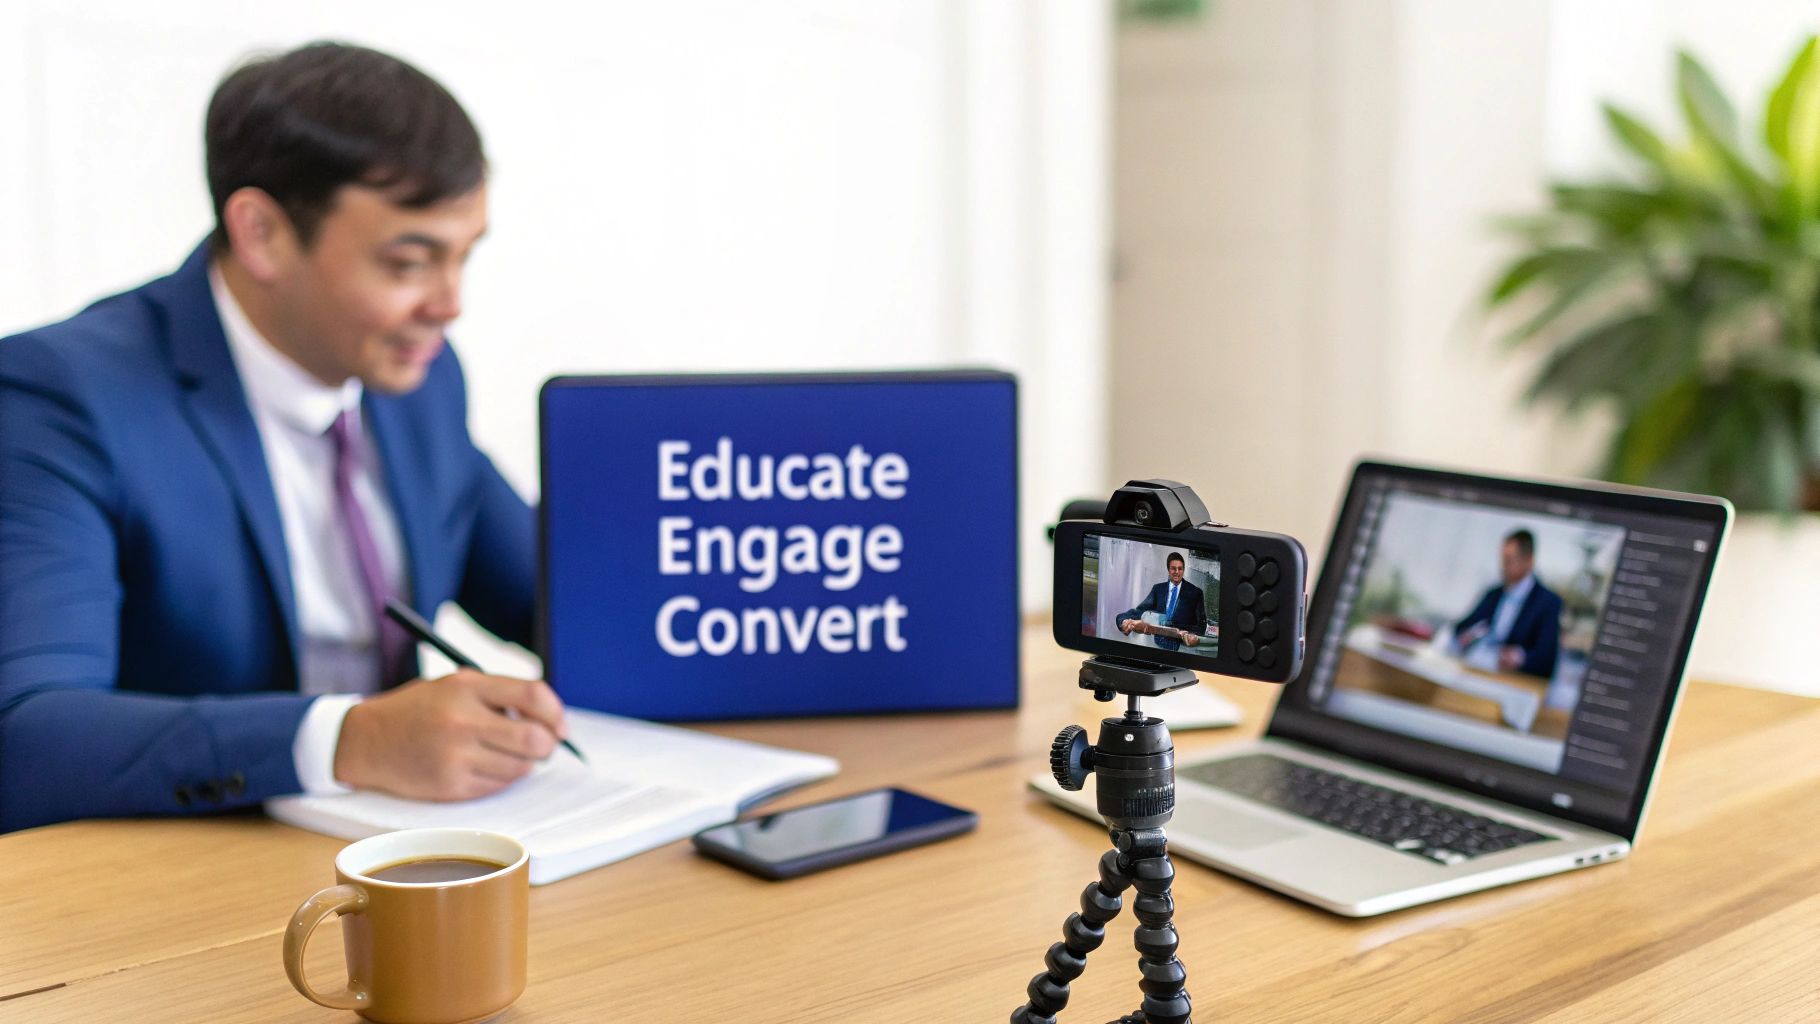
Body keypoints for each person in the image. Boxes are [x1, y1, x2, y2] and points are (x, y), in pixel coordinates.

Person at [0, 43, 568, 833]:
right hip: (180, 878)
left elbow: (558, 604)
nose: (450, 304)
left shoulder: (418, 378)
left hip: (398, 858)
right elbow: (25, 738)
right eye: (410, 262)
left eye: (464, 256)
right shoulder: (59, 397)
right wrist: (348, 739)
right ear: (261, 232)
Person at [1453, 528, 1563, 679]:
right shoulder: (1493, 594)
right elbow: (1461, 626)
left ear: (1529, 561)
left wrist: (1519, 657)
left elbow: (1546, 658)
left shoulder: (1548, 603)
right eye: (1503, 559)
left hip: (1514, 681)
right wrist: (1467, 634)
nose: (1503, 566)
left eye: (1509, 560)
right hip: (1477, 670)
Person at [1117, 552, 1208, 652]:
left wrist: (1189, 634)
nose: (1177, 572)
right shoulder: (1158, 589)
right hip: (1157, 645)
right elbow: (1140, 612)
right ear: (1168, 570)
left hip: (1183, 649)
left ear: (1183, 570)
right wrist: (1123, 620)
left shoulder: (1195, 593)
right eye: (1173, 568)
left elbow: (1201, 626)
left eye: (1180, 568)